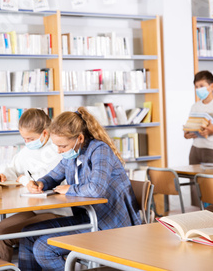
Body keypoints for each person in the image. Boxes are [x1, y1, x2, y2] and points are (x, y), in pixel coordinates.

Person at [18, 107, 142, 270]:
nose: (59, 151)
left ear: (80, 138)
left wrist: (70, 189)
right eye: (57, 146)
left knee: (44, 248)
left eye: (62, 146)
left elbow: (97, 189)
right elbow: (54, 176)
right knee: (28, 235)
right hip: (89, 218)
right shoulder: (72, 153)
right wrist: (41, 183)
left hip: (110, 225)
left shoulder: (100, 150)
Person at [0, 108, 66, 262]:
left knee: (1, 237)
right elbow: (11, 168)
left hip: (57, 211)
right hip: (33, 210)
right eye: (24, 139)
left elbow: (44, 180)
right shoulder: (26, 152)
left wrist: (23, 179)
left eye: (30, 138)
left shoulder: (59, 149)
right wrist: (1, 174)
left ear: (45, 133)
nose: (27, 143)